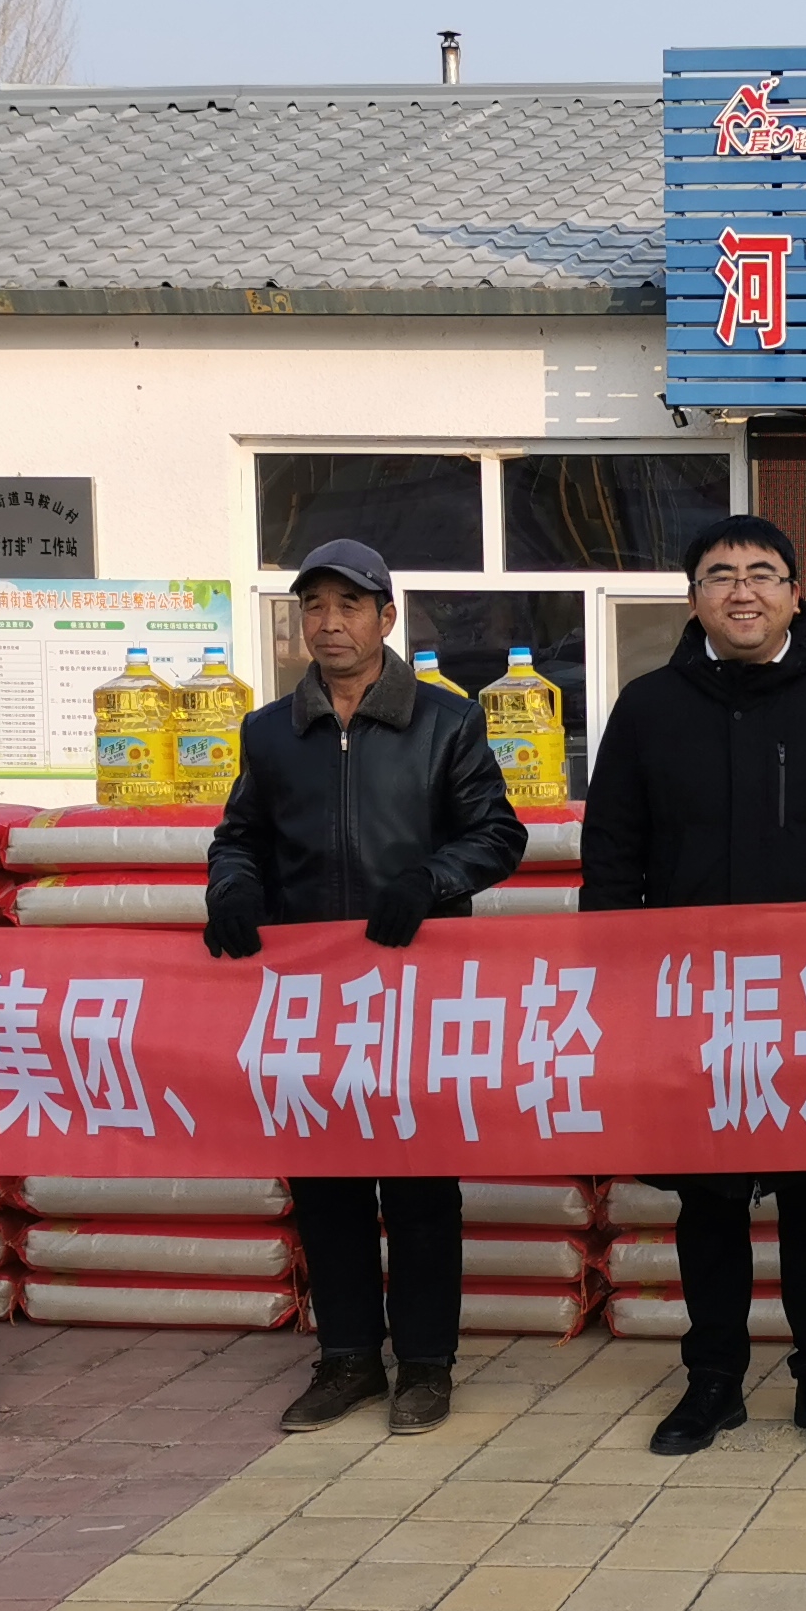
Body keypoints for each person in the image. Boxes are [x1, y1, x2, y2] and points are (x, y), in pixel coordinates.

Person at [584, 514, 806, 1457]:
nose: (743, 590)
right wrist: (618, 984)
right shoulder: (649, 709)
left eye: (763, 573)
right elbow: (611, 856)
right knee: (710, 1201)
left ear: (795, 594)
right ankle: (714, 1383)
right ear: (693, 599)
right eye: (721, 574)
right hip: (692, 1001)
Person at [208, 539, 527, 1436]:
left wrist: (430, 879)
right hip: (310, 993)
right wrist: (232, 887)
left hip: (418, 988)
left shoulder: (445, 722)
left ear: (387, 618)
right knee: (326, 1183)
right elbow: (242, 837)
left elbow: (497, 834)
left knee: (419, 1185)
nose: (330, 623)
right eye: (314, 606)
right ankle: (346, 1358)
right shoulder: (271, 731)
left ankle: (425, 1364)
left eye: (349, 605)